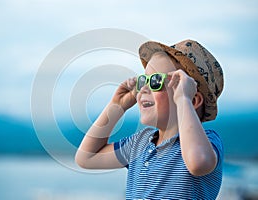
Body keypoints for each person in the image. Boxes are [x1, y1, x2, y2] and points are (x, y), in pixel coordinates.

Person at [75, 39, 224, 199]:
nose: (144, 88)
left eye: (155, 81)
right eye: (143, 80)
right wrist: (116, 107)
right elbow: (86, 157)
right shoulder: (139, 144)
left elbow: (198, 163)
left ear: (193, 100)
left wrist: (183, 100)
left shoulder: (206, 142)